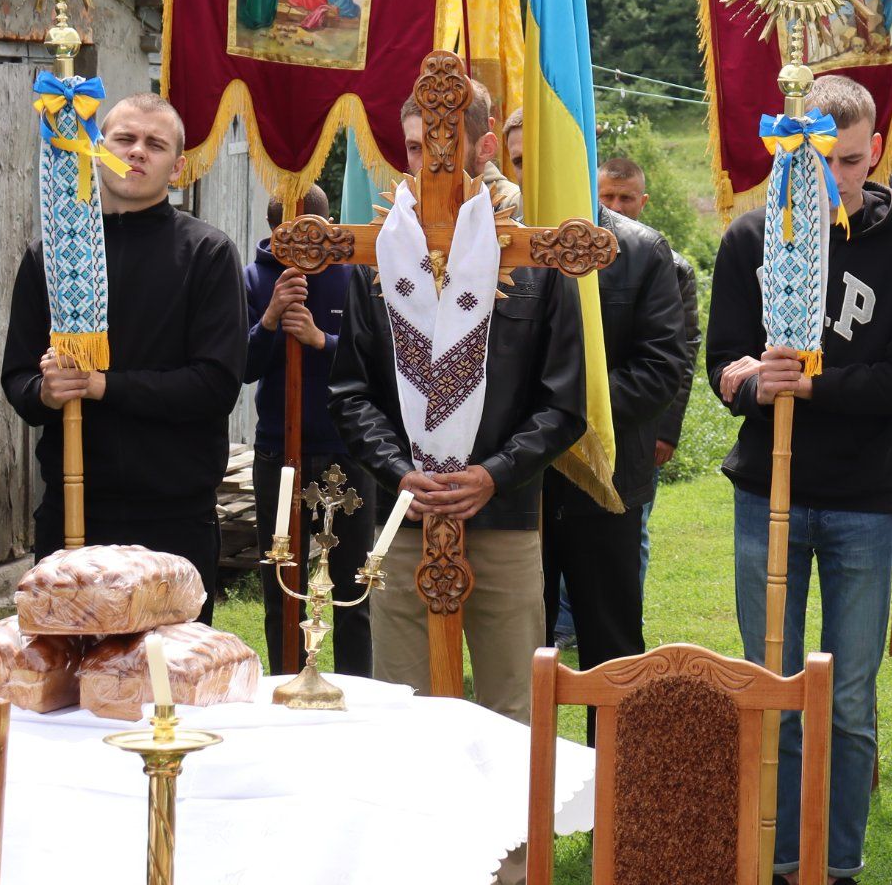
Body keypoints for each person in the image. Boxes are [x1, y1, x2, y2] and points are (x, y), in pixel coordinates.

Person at [707, 74, 892, 884]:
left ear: (874, 152)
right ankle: (775, 858)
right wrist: (752, 380)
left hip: (862, 501)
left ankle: (836, 865)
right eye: (814, 160)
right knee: (772, 683)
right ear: (788, 152)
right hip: (766, 492)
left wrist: (811, 385)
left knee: (846, 696)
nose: (831, 176)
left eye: (846, 160)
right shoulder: (751, 237)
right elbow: (722, 366)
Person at [327, 76, 584, 726]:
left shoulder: (534, 257)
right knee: (402, 712)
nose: (428, 165)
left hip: (504, 517)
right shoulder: (378, 257)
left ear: (485, 146)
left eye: (443, 147)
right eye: (415, 148)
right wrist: (398, 471)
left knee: (512, 712)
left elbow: (563, 402)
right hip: (405, 515)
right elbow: (351, 392)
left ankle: (512, 807)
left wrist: (494, 473)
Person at [0, 93, 247, 621]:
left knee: (170, 670)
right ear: (96, 148)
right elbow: (18, 378)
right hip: (74, 511)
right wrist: (46, 392)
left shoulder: (206, 254)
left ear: (176, 167)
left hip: (173, 518)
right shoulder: (54, 256)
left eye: (155, 144)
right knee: (67, 668)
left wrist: (103, 386)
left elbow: (215, 385)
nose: (137, 152)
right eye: (125, 138)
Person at [540, 187, 685, 727]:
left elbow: (661, 368)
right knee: (518, 655)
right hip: (517, 484)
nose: (529, 169)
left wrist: (564, 409)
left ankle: (612, 780)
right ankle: (522, 777)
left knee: (612, 655)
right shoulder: (497, 240)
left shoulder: (642, 250)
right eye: (519, 159)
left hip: (608, 482)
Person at [244, 185, 370, 675]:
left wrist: (321, 340)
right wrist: (270, 318)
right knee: (283, 586)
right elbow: (242, 366)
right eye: (291, 238)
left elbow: (373, 361)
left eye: (316, 235)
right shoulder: (255, 279)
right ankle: (285, 684)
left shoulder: (353, 275)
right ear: (275, 235)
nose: (305, 247)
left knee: (354, 589)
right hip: (280, 451)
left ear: (329, 227)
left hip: (346, 448)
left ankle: (358, 691)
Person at [598, 157, 702, 581]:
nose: (616, 207)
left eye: (625, 198)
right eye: (607, 197)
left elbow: (681, 353)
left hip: (640, 423)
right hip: (581, 418)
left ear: (642, 202)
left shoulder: (670, 265)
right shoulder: (569, 258)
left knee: (632, 524)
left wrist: (666, 430)